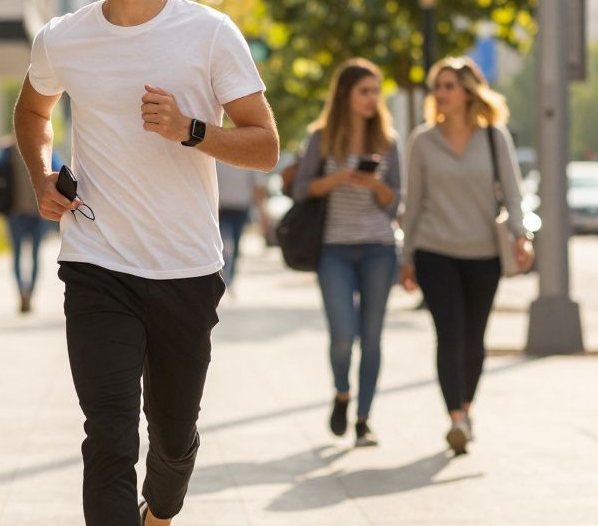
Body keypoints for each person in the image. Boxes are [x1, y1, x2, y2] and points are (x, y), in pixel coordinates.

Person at [12, 0, 279, 526]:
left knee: (173, 441)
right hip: (97, 263)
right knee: (107, 441)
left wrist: (192, 131)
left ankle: (157, 524)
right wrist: (42, 177)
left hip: (186, 268)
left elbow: (265, 145)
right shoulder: (63, 39)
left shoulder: (209, 33)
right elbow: (32, 115)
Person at [400, 56, 533, 456]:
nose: (440, 94)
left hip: (483, 254)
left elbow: (512, 192)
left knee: (475, 340)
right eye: (437, 87)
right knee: (451, 333)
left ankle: (467, 408)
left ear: (468, 92)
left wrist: (521, 236)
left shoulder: (494, 137)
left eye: (448, 86)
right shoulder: (422, 141)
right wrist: (406, 257)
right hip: (434, 250)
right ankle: (456, 417)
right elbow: (414, 202)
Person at [290, 58, 402, 448]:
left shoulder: (388, 140)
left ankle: (364, 419)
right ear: (346, 95)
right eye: (365, 91)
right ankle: (342, 392)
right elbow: (302, 189)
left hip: (379, 248)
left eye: (376, 91)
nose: (373, 99)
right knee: (343, 335)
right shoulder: (321, 138)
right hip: (333, 250)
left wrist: (374, 185)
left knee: (371, 338)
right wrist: (336, 178)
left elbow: (395, 202)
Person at [0, 136, 61, 314]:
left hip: (36, 213)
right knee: (25, 256)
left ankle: (26, 293)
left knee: (27, 255)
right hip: (20, 212)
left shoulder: (42, 149)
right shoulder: (11, 151)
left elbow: (60, 171)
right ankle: (25, 294)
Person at [215, 160, 267, 291]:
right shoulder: (217, 158)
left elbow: (258, 186)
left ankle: (229, 277)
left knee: (236, 244)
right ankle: (220, 275)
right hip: (221, 208)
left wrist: (262, 212)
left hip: (241, 208)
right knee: (220, 244)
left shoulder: (248, 156)